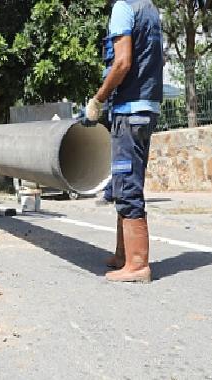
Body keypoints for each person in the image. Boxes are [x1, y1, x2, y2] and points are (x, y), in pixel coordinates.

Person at [86, 0, 163, 283]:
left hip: (129, 110)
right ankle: (123, 255)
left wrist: (98, 99)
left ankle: (137, 265)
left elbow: (122, 62)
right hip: (147, 109)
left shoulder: (123, 8)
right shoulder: (150, 8)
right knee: (125, 181)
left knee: (126, 181)